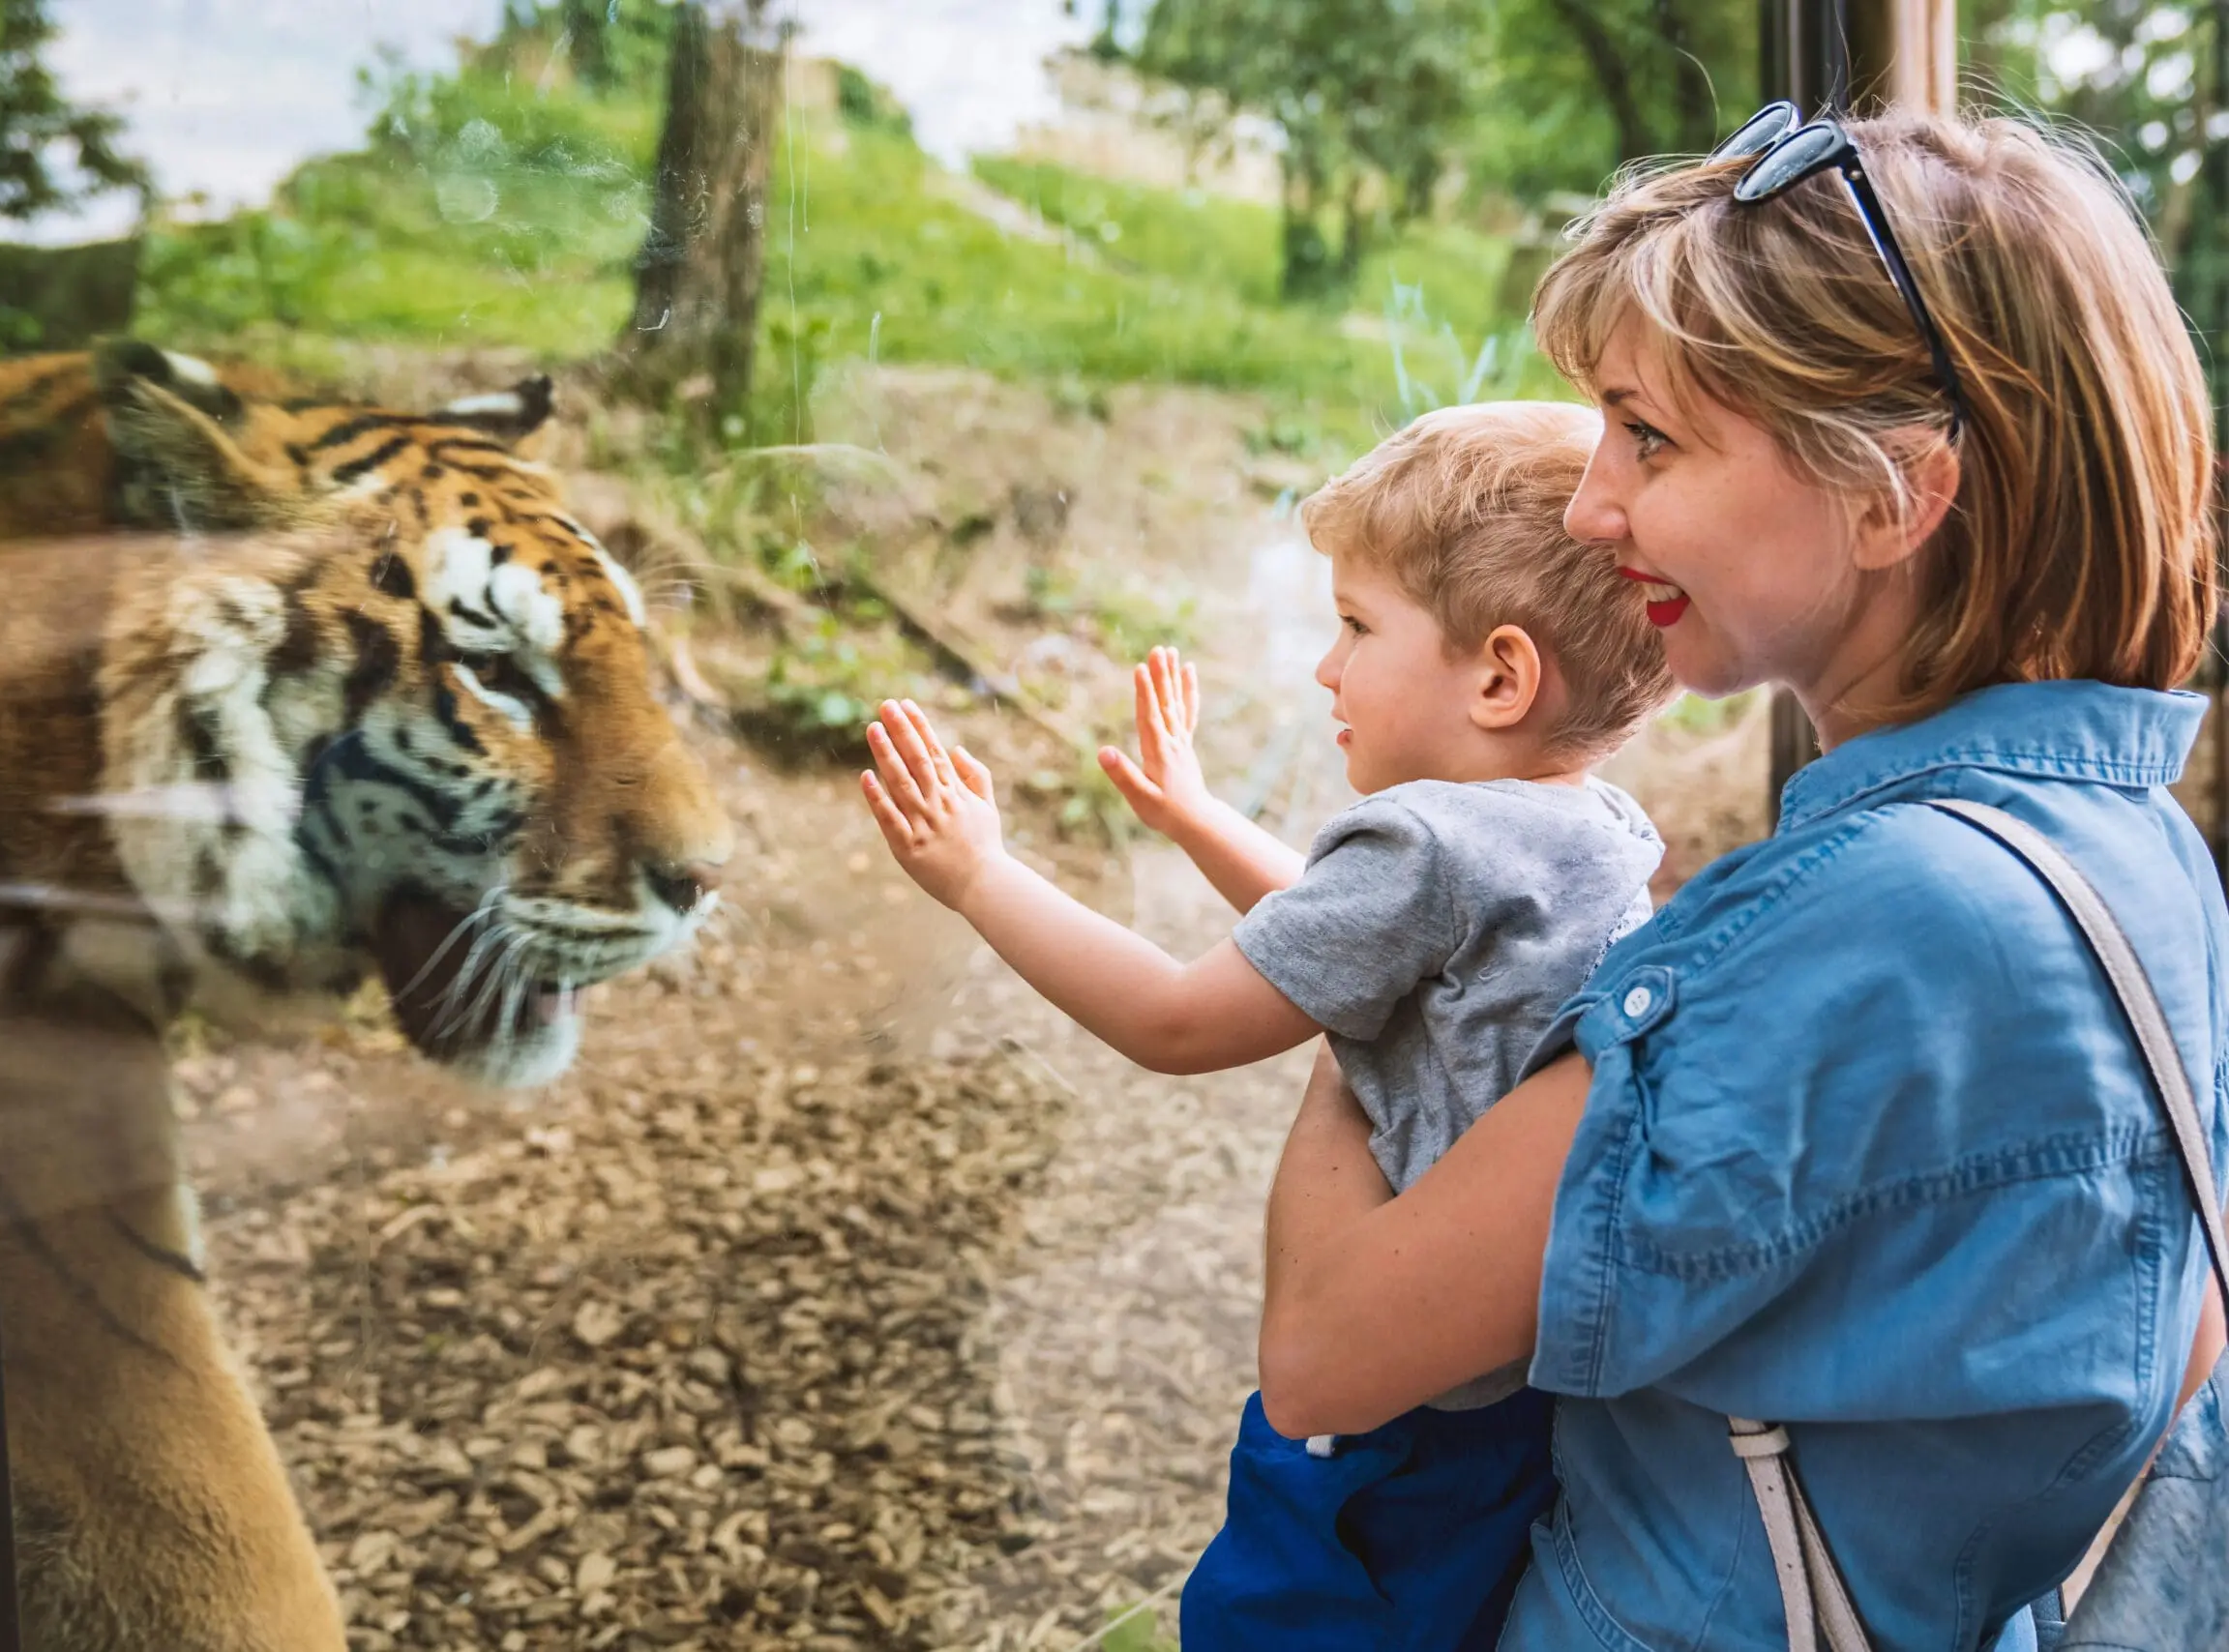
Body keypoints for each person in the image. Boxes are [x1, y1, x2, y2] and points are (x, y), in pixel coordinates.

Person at [1253, 104, 2229, 1652]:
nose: (1592, 506)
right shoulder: (2141, 854)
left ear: (1891, 494)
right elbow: (2161, 1346)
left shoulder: (1861, 929)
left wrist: (1369, 975)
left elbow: (1322, 1351)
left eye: (1652, 436)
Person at [855, 400, 1673, 1651]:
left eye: (1356, 627)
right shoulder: (1591, 830)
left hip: (1378, 1433)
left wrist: (980, 878)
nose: (1325, 669)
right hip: (1508, 1401)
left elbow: (1178, 1023)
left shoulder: (1430, 840)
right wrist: (1191, 816)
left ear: (1501, 674)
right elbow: (1349, 938)